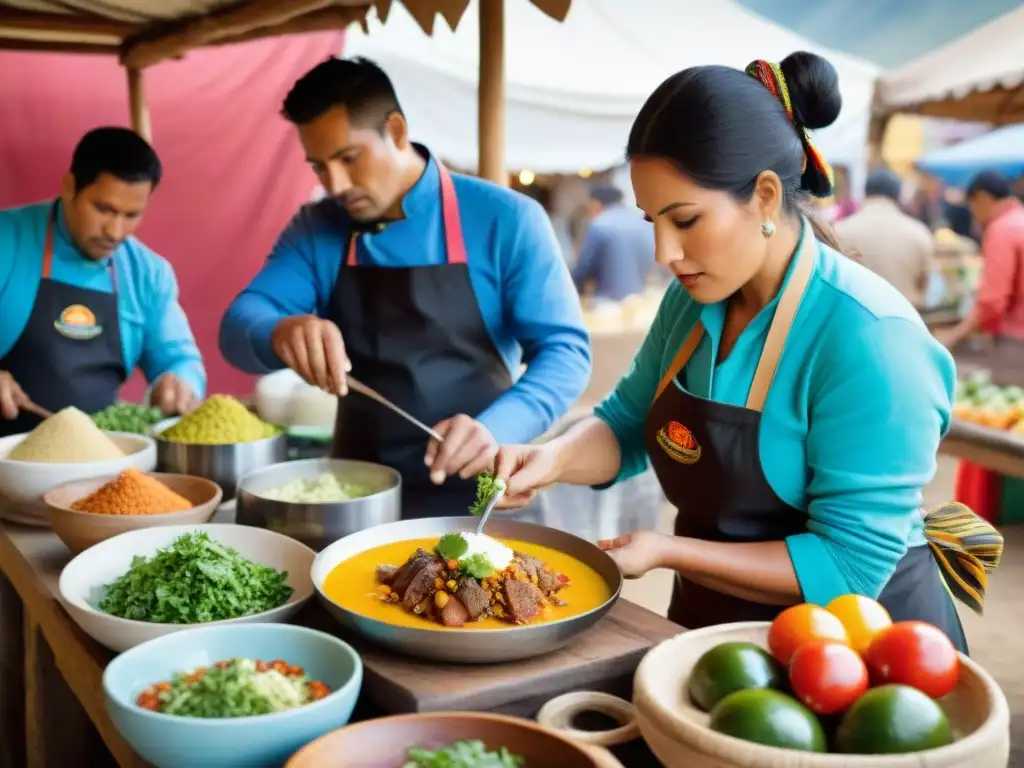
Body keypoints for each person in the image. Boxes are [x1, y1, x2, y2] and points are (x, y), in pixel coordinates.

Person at [492, 53, 1003, 650]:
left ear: (764, 196)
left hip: (862, 655)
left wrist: (669, 550)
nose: (664, 252)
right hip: (716, 634)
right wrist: (552, 460)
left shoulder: (871, 337)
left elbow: (850, 566)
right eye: (651, 220)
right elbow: (628, 423)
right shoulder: (691, 304)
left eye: (684, 220)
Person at [219, 57, 591, 519]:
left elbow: (565, 351)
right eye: (319, 166)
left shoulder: (505, 219)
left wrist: (496, 426)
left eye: (348, 158)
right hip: (358, 497)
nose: (335, 184)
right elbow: (239, 323)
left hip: (487, 492)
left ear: (395, 131)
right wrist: (279, 331)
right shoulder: (318, 229)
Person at [0, 127, 205, 435]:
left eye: (132, 215)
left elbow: (179, 359)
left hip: (99, 458)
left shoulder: (148, 274)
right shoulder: (8, 240)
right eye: (103, 209)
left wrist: (180, 382)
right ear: (69, 186)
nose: (115, 231)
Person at [940, 170, 1024, 357]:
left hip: (1016, 343)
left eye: (972, 207)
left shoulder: (1002, 230)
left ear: (982, 198)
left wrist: (949, 339)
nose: (974, 217)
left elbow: (992, 304)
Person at [835, 169, 935, 307]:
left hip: (854, 319)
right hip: (906, 318)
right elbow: (924, 286)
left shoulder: (838, 231)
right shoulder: (919, 232)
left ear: (865, 192)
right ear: (898, 195)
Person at [572, 185, 655, 302]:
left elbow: (584, 267)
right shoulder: (644, 222)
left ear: (596, 203)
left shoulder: (599, 224)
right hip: (640, 300)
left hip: (606, 303)